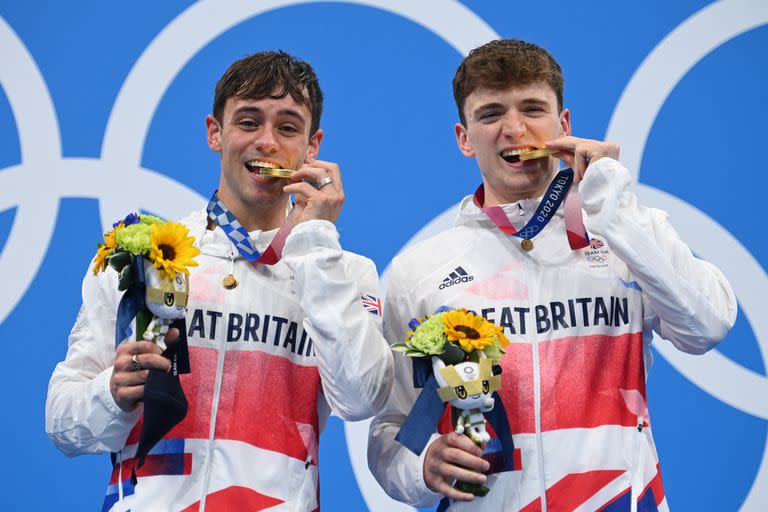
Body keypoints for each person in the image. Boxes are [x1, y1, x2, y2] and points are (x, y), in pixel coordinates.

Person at [368, 39, 736, 511]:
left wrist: (614, 207)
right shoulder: (421, 270)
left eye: (533, 109)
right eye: (491, 114)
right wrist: (419, 467)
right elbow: (390, 427)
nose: (514, 129)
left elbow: (708, 325)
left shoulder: (627, 238)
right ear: (464, 137)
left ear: (564, 125)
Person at [46, 50, 393, 512]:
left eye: (288, 127)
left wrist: (316, 243)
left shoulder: (342, 269)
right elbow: (60, 420)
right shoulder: (140, 254)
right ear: (216, 133)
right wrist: (110, 393)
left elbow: (361, 398)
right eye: (248, 122)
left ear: (313, 147)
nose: (266, 142)